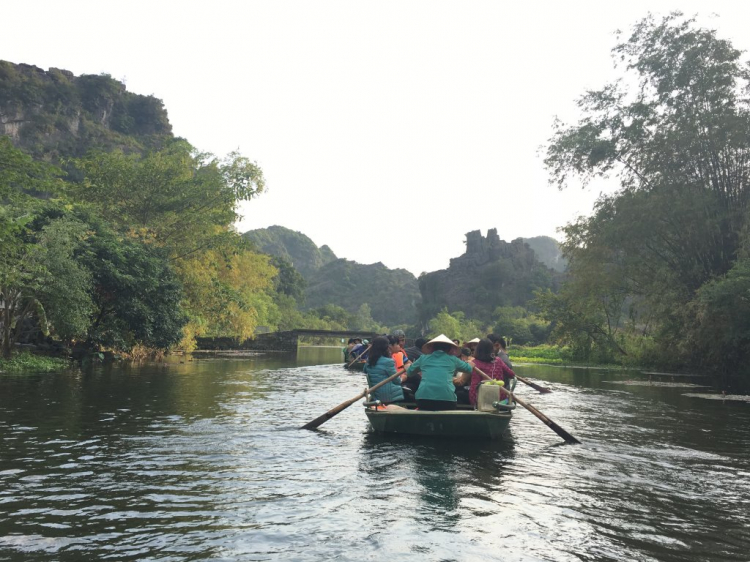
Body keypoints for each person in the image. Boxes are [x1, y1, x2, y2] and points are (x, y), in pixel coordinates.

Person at [407, 334, 473, 411]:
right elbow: (469, 369)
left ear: (432, 348)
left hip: (424, 399)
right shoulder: (453, 359)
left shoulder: (423, 358)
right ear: (449, 349)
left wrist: (408, 366)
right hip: (447, 400)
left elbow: (409, 372)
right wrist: (471, 364)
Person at [470, 338, 516, 406]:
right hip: (500, 399)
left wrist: (474, 402)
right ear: (491, 349)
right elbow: (512, 374)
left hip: (480, 399)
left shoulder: (474, 363)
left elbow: (474, 385)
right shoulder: (498, 361)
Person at [363, 336, 405, 404]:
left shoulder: (369, 361)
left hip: (376, 395)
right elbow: (397, 381)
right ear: (385, 348)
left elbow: (365, 371)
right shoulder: (388, 362)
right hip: (389, 396)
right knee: (411, 394)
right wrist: (403, 378)